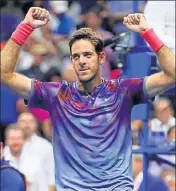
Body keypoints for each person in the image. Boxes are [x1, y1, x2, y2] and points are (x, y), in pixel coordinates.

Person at [1, 7, 175, 191]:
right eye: (76, 56)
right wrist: (25, 26)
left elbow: (172, 74)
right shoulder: (56, 95)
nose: (81, 61)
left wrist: (147, 33)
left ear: (101, 58)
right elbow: (4, 74)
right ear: (71, 60)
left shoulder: (123, 91)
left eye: (87, 55)